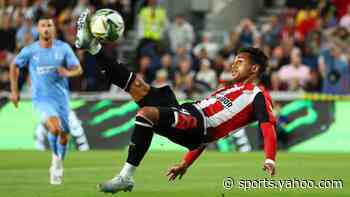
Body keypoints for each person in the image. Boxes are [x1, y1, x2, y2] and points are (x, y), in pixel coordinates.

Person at [75, 9, 277, 194]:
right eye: (234, 60)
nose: (233, 65)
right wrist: (185, 164)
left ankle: (125, 178)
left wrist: (269, 158)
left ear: (254, 69)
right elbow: (204, 141)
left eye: (240, 62)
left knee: (146, 115)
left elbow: (267, 127)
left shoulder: (257, 95)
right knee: (139, 87)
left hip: (197, 124)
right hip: (188, 114)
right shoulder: (228, 88)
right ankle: (93, 47)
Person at [9, 15, 83, 185]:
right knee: (54, 128)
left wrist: (67, 72)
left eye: (49, 25)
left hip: (61, 99)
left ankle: (58, 163)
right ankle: (55, 162)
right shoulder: (31, 50)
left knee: (64, 135)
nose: (46, 28)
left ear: (54, 28)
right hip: (42, 98)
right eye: (43, 25)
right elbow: (14, 65)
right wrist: (14, 91)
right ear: (38, 29)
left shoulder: (63, 49)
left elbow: (78, 69)